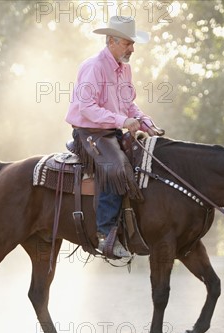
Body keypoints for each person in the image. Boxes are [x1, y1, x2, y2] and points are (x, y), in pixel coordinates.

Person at [66, 16, 157, 258]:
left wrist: (146, 122)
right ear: (111, 41)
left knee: (147, 159)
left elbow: (128, 104)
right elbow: (87, 107)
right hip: (89, 132)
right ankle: (105, 234)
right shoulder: (94, 67)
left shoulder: (124, 68)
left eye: (132, 43)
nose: (132, 49)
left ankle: (131, 227)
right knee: (116, 168)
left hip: (110, 130)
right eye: (128, 43)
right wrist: (122, 121)